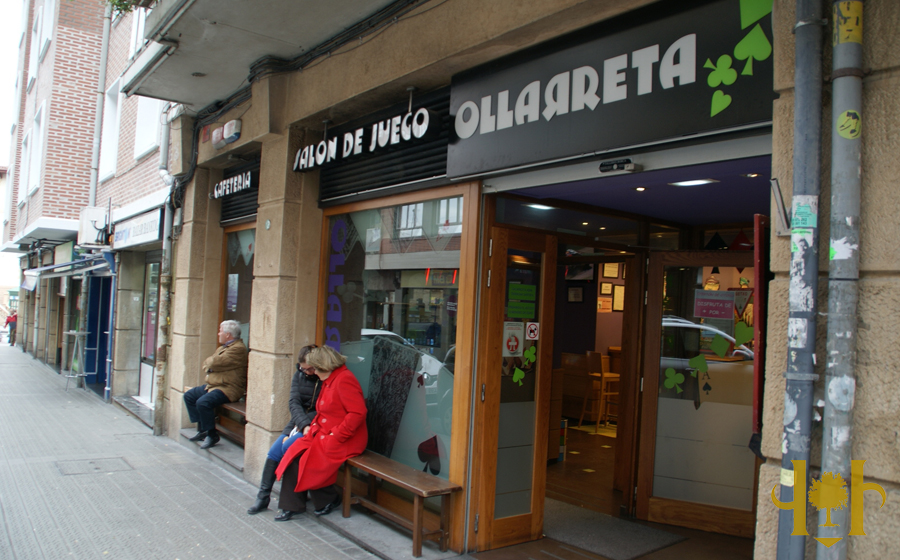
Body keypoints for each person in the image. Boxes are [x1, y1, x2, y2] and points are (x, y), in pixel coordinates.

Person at [273, 345, 367, 520]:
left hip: (345, 438)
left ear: (323, 365)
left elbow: (358, 413)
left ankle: (326, 500)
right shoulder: (331, 379)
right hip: (325, 433)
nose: (313, 372)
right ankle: (293, 505)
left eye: (314, 368)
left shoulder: (344, 379)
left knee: (310, 458)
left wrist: (336, 435)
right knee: (295, 453)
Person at [247, 344, 322, 515]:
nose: (306, 372)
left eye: (309, 369)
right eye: (303, 369)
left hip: (316, 424)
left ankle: (293, 500)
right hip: (299, 422)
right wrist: (303, 424)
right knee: (274, 452)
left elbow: (323, 408)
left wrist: (307, 425)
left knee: (288, 449)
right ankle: (263, 496)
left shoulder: (324, 378)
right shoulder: (299, 374)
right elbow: (293, 402)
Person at [183, 320, 248, 450]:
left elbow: (212, 363)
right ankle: (203, 430)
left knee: (203, 402)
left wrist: (212, 366)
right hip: (213, 385)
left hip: (229, 388)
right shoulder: (224, 347)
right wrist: (211, 365)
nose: (218, 334)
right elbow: (209, 363)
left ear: (228, 334)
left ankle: (212, 435)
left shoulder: (238, 349)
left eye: (220, 331)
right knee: (189, 396)